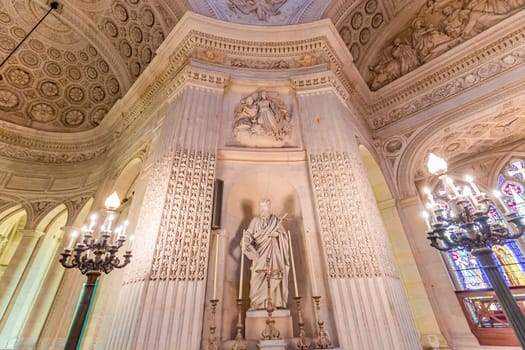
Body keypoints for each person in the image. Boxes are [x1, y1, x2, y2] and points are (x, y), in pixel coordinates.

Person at [242, 198, 290, 309]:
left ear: (269, 207)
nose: (263, 209)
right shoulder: (255, 221)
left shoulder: (276, 220)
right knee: (257, 276)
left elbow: (284, 236)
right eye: (262, 207)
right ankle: (257, 302)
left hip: (274, 253)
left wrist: (277, 235)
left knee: (275, 274)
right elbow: (249, 234)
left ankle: (274, 303)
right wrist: (245, 241)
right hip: (259, 254)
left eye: (266, 206)